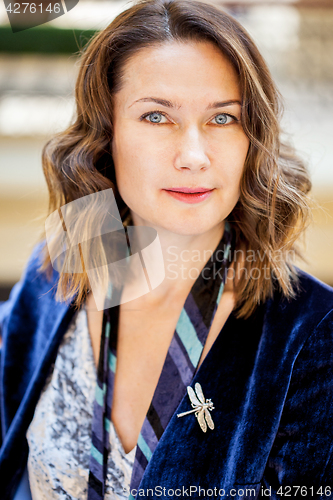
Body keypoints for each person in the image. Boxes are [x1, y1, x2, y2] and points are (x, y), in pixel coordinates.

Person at [1, 0, 333, 498]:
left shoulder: (312, 333)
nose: (194, 156)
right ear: (106, 132)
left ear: (253, 139)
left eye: (223, 119)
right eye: (157, 117)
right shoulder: (57, 272)